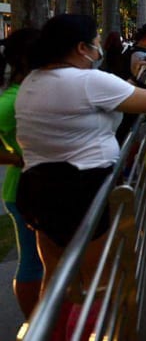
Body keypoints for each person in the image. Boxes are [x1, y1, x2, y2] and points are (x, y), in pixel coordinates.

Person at [14, 14, 146, 298]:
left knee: (56, 281)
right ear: (82, 48)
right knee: (100, 282)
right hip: (81, 190)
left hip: (36, 187)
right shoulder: (88, 81)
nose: (99, 47)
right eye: (96, 41)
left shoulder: (33, 80)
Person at [0, 28, 43, 318]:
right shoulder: (13, 99)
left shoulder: (26, 93)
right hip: (24, 191)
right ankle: (35, 325)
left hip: (33, 188)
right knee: (31, 261)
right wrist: (17, 158)